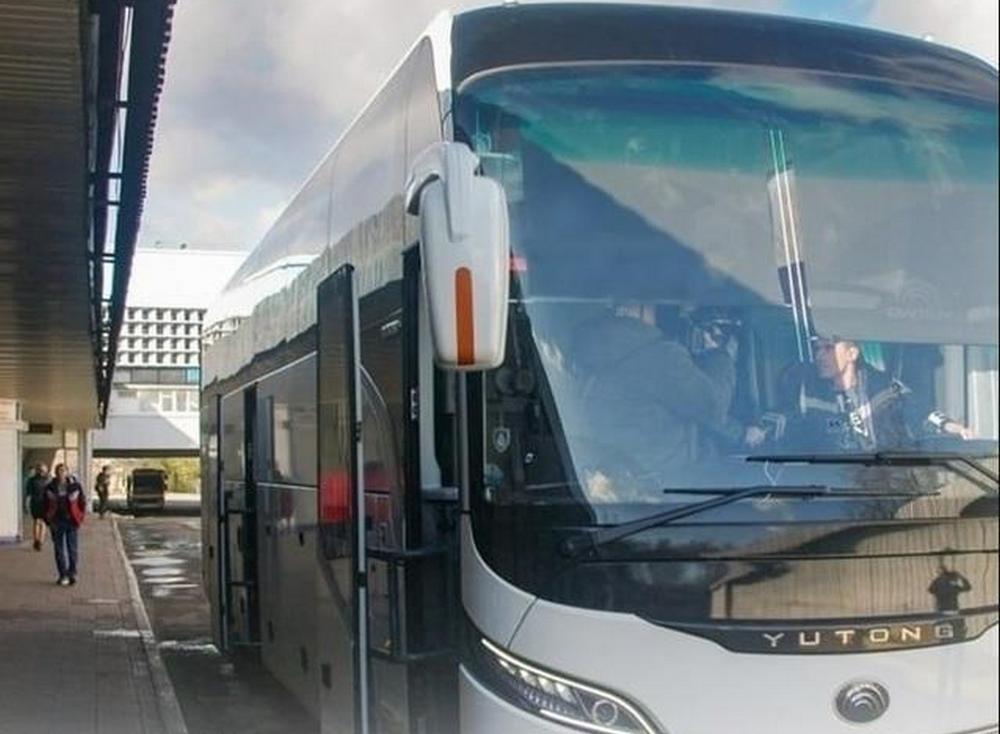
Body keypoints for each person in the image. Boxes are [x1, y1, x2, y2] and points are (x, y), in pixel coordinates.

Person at [747, 335, 972, 451]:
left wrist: (956, 428)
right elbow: (782, 416)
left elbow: (922, 413)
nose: (819, 356)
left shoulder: (885, 390)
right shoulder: (807, 391)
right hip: (822, 481)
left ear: (852, 354)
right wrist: (758, 430)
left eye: (828, 348)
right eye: (817, 349)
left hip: (878, 481)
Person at [43, 464, 87, 586]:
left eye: (63, 471)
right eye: (58, 471)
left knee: (72, 548)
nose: (61, 473)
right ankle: (63, 575)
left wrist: (80, 517)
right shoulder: (50, 487)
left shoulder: (75, 486)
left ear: (67, 472)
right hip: (56, 521)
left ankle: (72, 573)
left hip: (71, 521)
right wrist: (48, 520)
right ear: (55, 473)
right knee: (59, 550)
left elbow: (82, 502)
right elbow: (45, 504)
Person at [23, 463, 50, 551]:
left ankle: (39, 541)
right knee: (39, 522)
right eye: (41, 470)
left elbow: (28, 493)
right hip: (39, 502)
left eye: (43, 470)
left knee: (40, 522)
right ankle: (38, 541)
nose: (42, 472)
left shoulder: (33, 480)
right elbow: (28, 493)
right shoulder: (46, 480)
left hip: (40, 502)